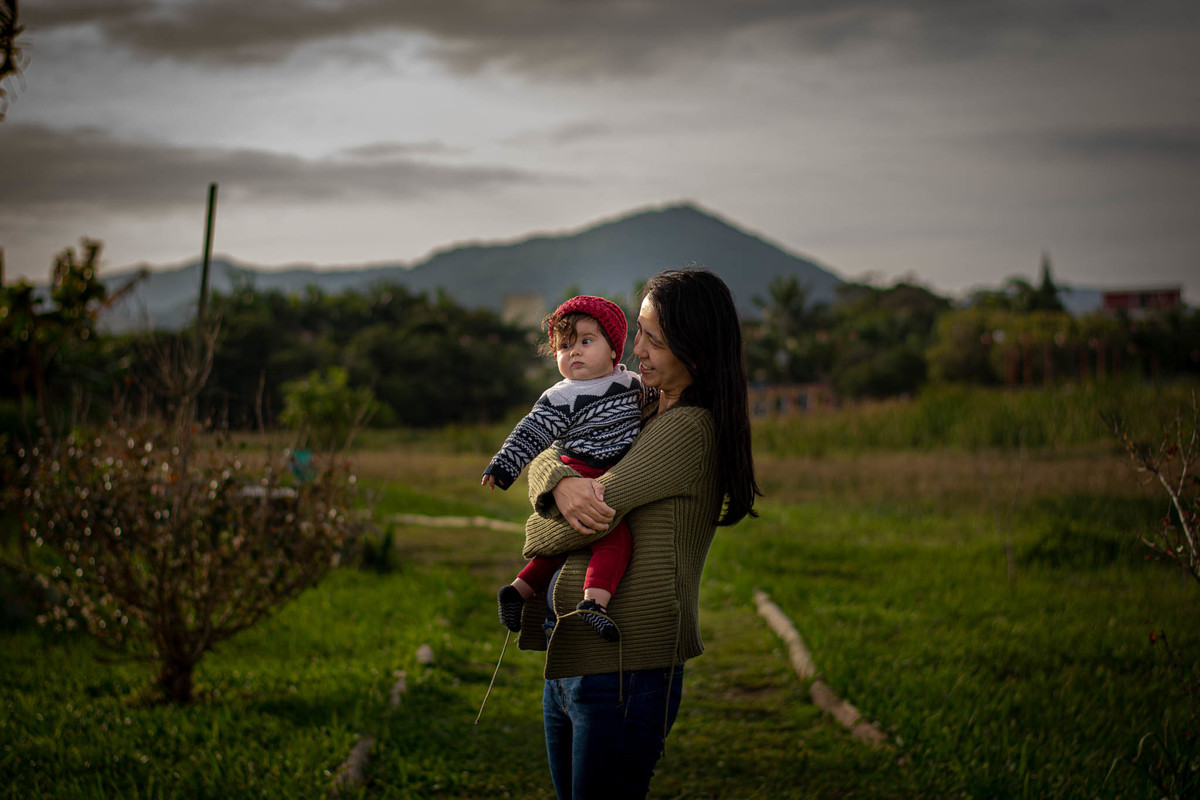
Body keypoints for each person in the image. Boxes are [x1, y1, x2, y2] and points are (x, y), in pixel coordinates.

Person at [516, 267, 762, 800]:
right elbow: (548, 451)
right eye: (640, 332)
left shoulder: (687, 428)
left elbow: (577, 522)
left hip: (625, 671)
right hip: (574, 658)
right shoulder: (637, 407)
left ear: (695, 349)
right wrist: (560, 482)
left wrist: (544, 510)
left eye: (655, 339)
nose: (637, 350)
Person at [482, 295, 653, 642]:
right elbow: (530, 432)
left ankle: (518, 589)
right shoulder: (561, 396)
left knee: (566, 541)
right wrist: (504, 464)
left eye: (586, 342)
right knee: (613, 537)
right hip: (580, 467)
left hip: (612, 467)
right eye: (564, 346)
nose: (573, 352)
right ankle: (594, 603)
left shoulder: (633, 384)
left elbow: (660, 402)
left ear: (614, 349)